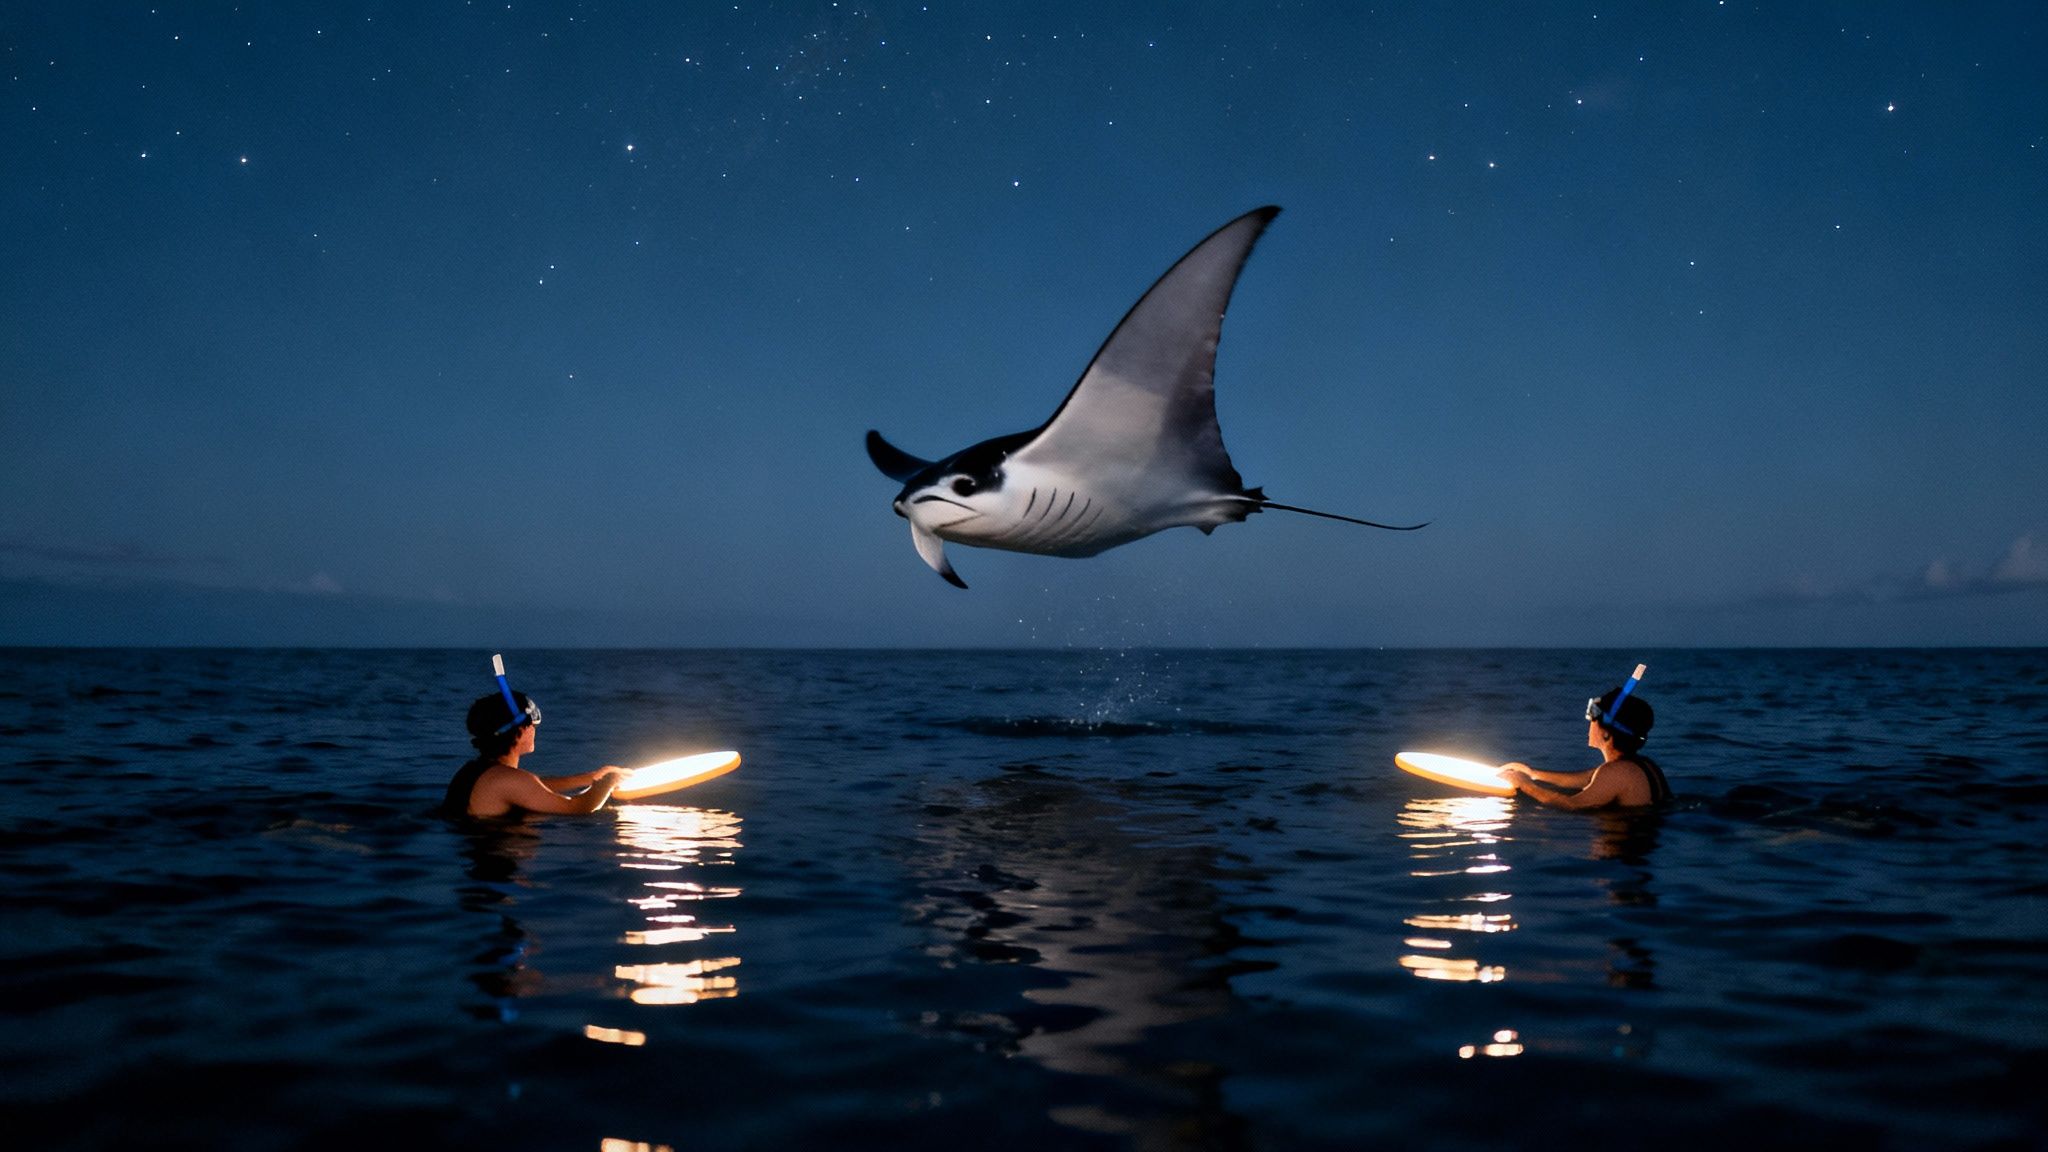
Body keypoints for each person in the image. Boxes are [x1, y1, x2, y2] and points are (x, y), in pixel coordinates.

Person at [442, 688, 627, 819]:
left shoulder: (474, 771)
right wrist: (608, 782)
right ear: (521, 730)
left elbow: (534, 787)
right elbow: (580, 808)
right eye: (532, 724)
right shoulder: (507, 779)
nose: (534, 729)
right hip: (497, 866)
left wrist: (589, 778)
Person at [1501, 685, 1672, 810]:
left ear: (1606, 734)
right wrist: (1532, 774)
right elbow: (1586, 779)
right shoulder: (1642, 765)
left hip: (1624, 850)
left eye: (1592, 719)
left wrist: (1526, 786)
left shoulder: (1617, 772)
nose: (1589, 724)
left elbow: (1571, 805)